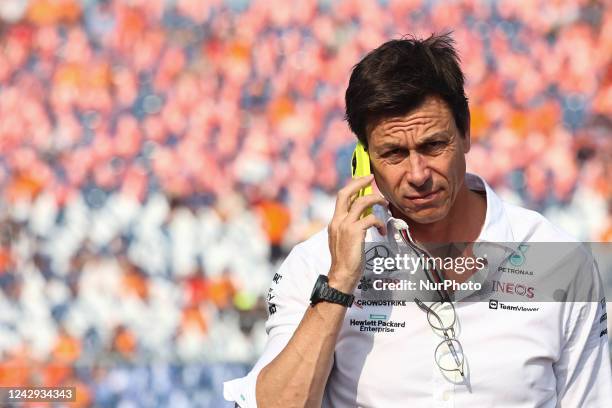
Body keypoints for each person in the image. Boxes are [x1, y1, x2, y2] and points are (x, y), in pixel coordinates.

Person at [223, 33, 611, 407]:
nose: (418, 173)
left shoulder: (558, 261)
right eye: (393, 153)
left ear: (466, 134)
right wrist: (339, 284)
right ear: (364, 160)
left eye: (433, 145)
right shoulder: (316, 265)